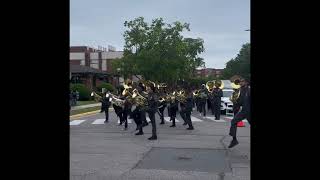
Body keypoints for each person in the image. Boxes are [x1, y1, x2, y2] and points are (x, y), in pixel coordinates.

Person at [228, 78, 251, 148]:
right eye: (240, 82)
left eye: (242, 81)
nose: (240, 83)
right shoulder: (240, 91)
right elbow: (240, 102)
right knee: (233, 121)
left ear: (246, 83)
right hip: (243, 111)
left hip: (249, 111)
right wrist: (235, 101)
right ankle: (234, 140)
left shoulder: (249, 90)